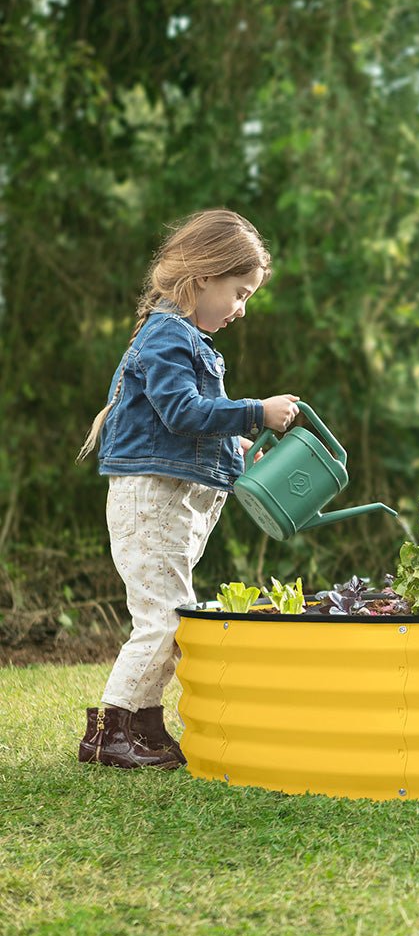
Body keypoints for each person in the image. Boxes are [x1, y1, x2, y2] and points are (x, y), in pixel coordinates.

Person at [75, 209, 301, 768]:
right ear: (203, 277)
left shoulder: (185, 338)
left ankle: (144, 728)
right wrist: (255, 412)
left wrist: (234, 448)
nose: (242, 308)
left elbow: (185, 424)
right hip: (152, 499)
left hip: (174, 500)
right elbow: (181, 411)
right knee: (164, 619)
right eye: (239, 292)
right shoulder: (166, 336)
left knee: (171, 616)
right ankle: (110, 733)